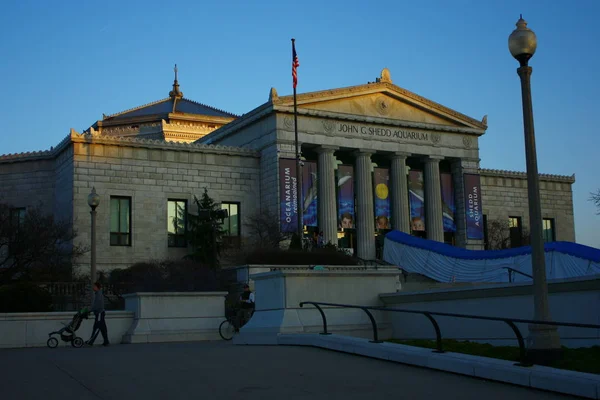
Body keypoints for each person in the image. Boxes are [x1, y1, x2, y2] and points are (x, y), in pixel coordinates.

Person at [86, 281, 110, 347]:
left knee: (96, 327)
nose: (93, 287)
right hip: (100, 313)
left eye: (94, 286)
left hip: (99, 313)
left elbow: (97, 305)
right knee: (103, 328)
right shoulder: (98, 294)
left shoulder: (98, 294)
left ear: (97, 287)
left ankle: (91, 341)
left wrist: (90, 310)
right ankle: (106, 341)